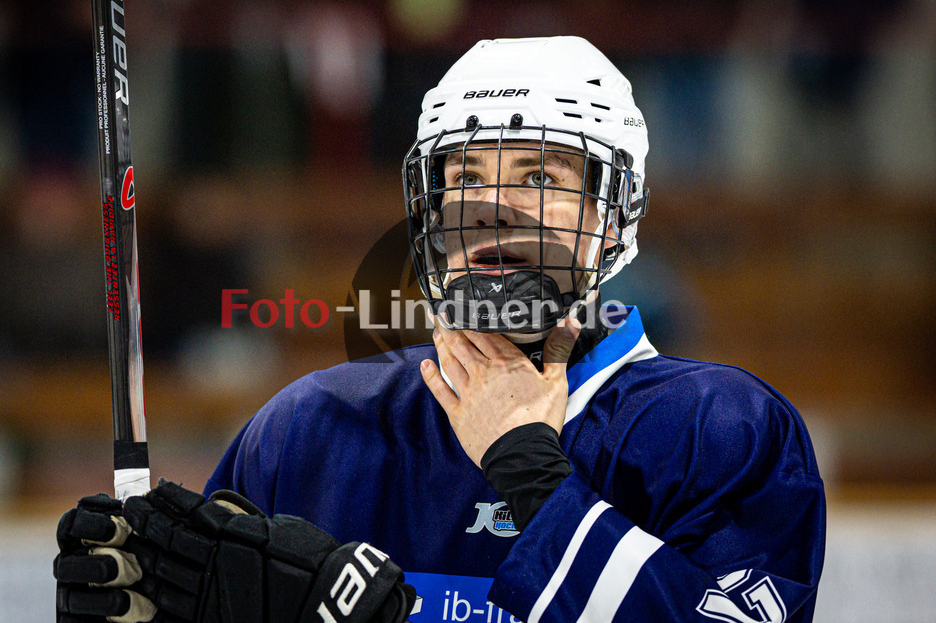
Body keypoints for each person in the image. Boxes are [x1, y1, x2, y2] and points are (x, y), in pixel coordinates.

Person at [54, 36, 825, 623]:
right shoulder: (311, 427)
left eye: (539, 177)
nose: (491, 207)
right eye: (465, 177)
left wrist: (535, 478)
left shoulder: (719, 429)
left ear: (614, 214)